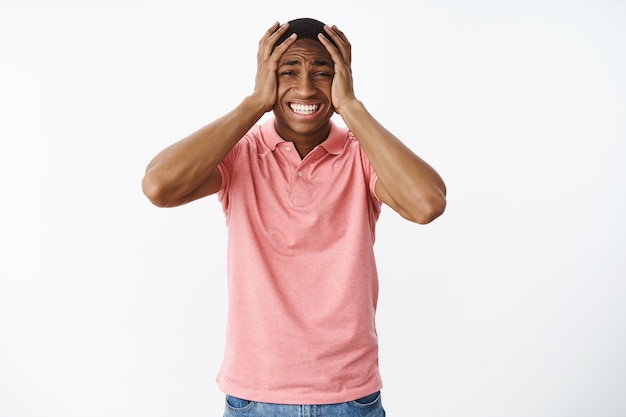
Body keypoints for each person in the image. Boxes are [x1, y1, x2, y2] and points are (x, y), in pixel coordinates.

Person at [142, 17, 446, 417]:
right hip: (254, 395)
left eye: (322, 72)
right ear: (267, 76)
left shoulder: (362, 155)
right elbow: (159, 187)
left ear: (342, 79)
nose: (305, 88)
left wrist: (352, 108)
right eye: (289, 71)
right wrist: (253, 104)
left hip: (350, 397)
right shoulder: (239, 154)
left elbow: (427, 204)